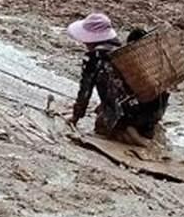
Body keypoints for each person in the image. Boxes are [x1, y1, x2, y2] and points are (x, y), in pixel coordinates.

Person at [67, 13, 167, 147]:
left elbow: (85, 91)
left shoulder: (95, 58)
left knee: (101, 126)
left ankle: (128, 131)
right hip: (152, 110)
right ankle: (143, 129)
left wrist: (75, 117)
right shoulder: (125, 53)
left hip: (128, 114)